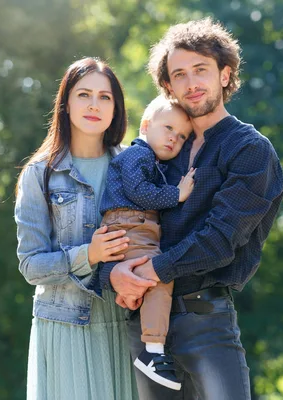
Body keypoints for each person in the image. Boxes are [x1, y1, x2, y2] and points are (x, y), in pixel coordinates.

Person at [99, 18, 283, 399]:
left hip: (206, 320)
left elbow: (220, 241)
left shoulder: (249, 150)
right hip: (144, 327)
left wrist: (151, 270)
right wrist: (112, 274)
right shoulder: (161, 150)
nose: (191, 83)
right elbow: (123, 217)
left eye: (201, 69)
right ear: (168, 86)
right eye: (179, 75)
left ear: (225, 73)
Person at [15, 57, 151, 400]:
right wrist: (88, 255)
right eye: (84, 95)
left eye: (105, 97)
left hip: (127, 326)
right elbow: (31, 266)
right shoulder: (39, 174)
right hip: (65, 327)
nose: (94, 105)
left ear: (116, 108)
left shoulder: (135, 167)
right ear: (66, 104)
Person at [99, 95, 195, 391]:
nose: (173, 139)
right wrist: (177, 194)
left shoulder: (148, 159)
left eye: (181, 137)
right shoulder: (137, 156)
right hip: (131, 224)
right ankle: (152, 351)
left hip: (136, 227)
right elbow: (139, 192)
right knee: (161, 275)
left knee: (147, 279)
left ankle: (132, 300)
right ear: (145, 125)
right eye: (168, 128)